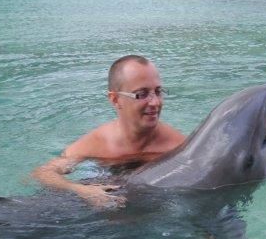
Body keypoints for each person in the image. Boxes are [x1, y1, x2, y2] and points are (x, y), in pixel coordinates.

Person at [32, 55, 186, 207]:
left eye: (158, 92)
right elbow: (44, 173)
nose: (155, 102)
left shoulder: (176, 145)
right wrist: (80, 190)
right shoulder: (97, 144)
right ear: (115, 100)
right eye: (141, 94)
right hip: (104, 181)